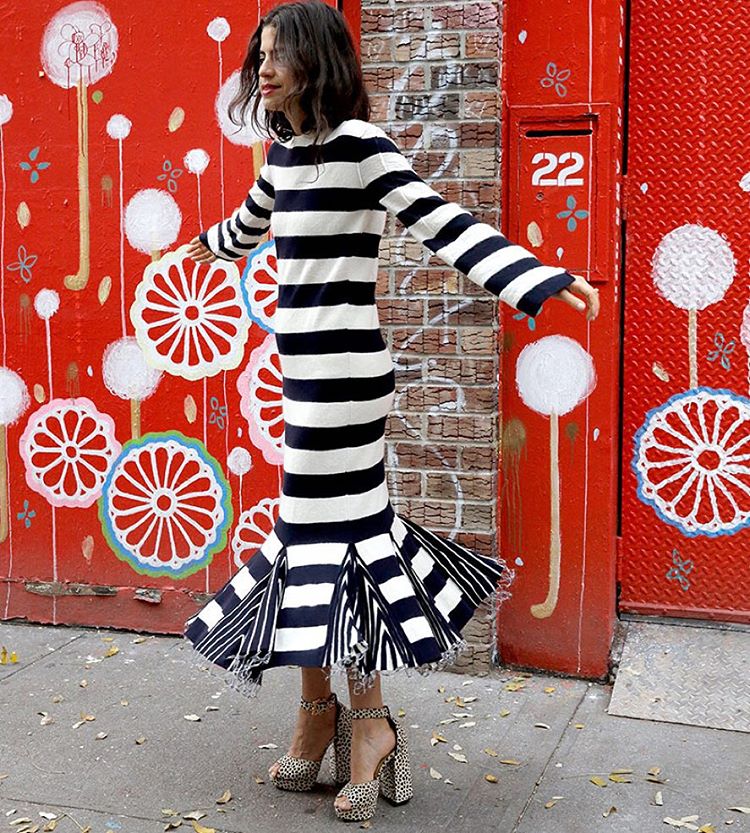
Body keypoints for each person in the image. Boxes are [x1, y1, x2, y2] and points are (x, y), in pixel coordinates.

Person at [183, 0, 600, 822]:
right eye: (258, 55)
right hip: (302, 378)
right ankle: (319, 714)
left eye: (277, 54)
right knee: (305, 545)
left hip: (348, 385)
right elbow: (252, 223)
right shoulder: (283, 153)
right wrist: (208, 243)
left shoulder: (362, 147)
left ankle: (367, 722)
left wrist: (536, 278)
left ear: (319, 60)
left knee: (347, 546)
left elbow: (443, 223)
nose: (263, 68)